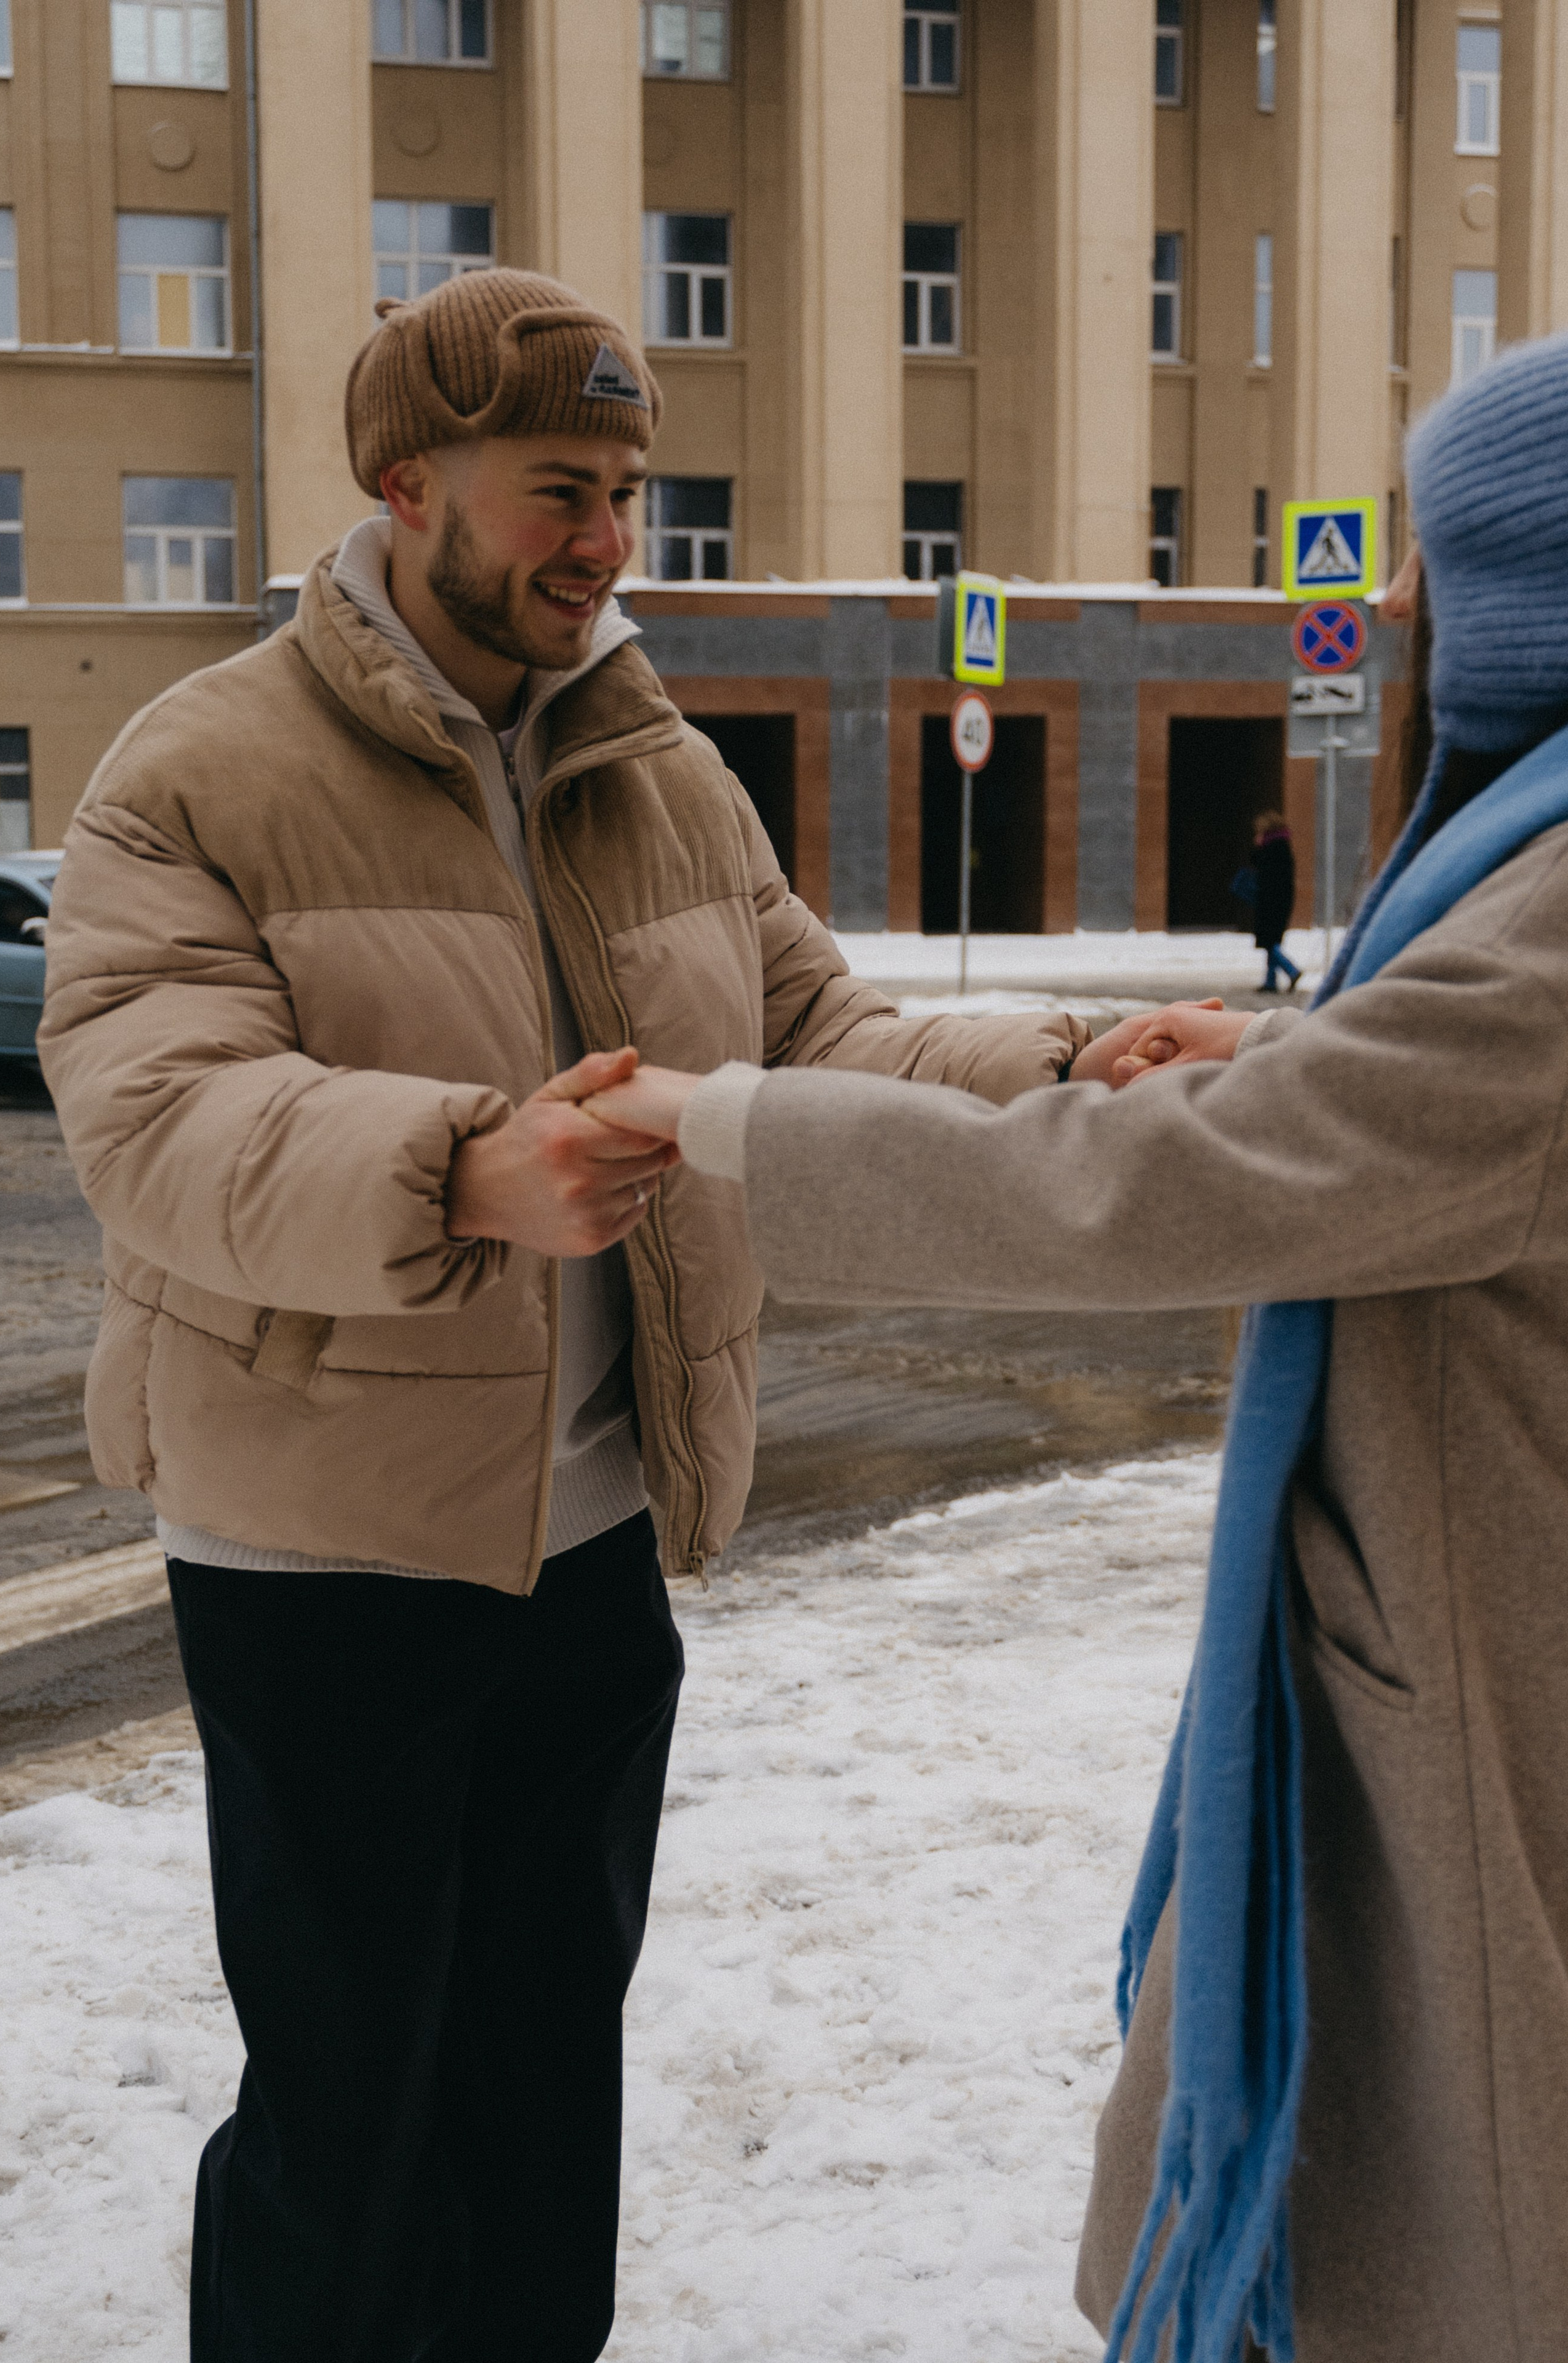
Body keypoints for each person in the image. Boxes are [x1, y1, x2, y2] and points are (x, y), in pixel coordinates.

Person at [36, 266, 1230, 2363]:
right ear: (409, 486)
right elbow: (161, 1108)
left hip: (592, 1549)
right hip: (326, 1555)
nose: (605, 540)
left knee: (540, 2080)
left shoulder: (658, 765)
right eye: (558, 492)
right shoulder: (199, 765)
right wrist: (458, 1162)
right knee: (348, 2106)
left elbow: (819, 1024)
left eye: (626, 497)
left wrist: (1070, 1055)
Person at [582, 331, 1568, 2361]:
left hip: (1503, 1677)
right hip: (1479, 1627)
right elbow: (1450, 1121)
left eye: (1424, 567)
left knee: (1471, 2234)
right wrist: (1307, 1050)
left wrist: (725, 1120)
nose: (1389, 612)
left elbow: (1136, 1192)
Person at [1250, 809, 1301, 992]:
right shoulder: (1283, 845)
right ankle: (1271, 981)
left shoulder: (1272, 848)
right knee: (1273, 940)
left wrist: (1258, 848)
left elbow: (1262, 870)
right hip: (1281, 900)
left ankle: (1291, 969)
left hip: (1271, 901)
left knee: (1269, 941)